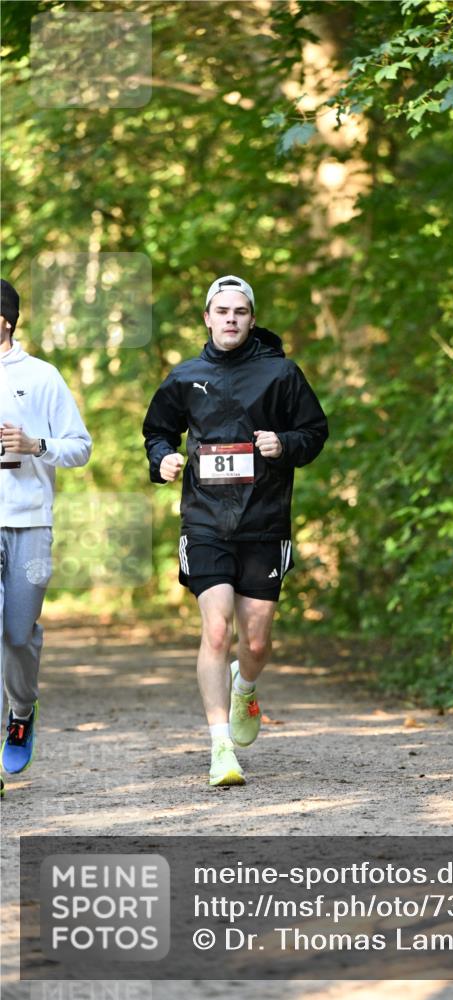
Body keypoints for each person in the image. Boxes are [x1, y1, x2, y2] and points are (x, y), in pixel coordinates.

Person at [142, 275, 328, 788]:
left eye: (240, 312)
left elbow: (315, 432)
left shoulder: (281, 374)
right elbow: (157, 430)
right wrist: (164, 459)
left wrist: (284, 444)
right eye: (221, 311)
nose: (230, 319)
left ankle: (245, 686)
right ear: (206, 317)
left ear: (251, 318)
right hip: (204, 519)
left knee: (257, 640)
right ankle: (220, 747)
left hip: (264, 521)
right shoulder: (185, 376)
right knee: (218, 629)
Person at [0, 278, 92, 795]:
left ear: (5, 321)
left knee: (17, 635)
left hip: (31, 521)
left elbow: (81, 447)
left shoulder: (42, 377)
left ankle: (21, 709)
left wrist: (36, 444)